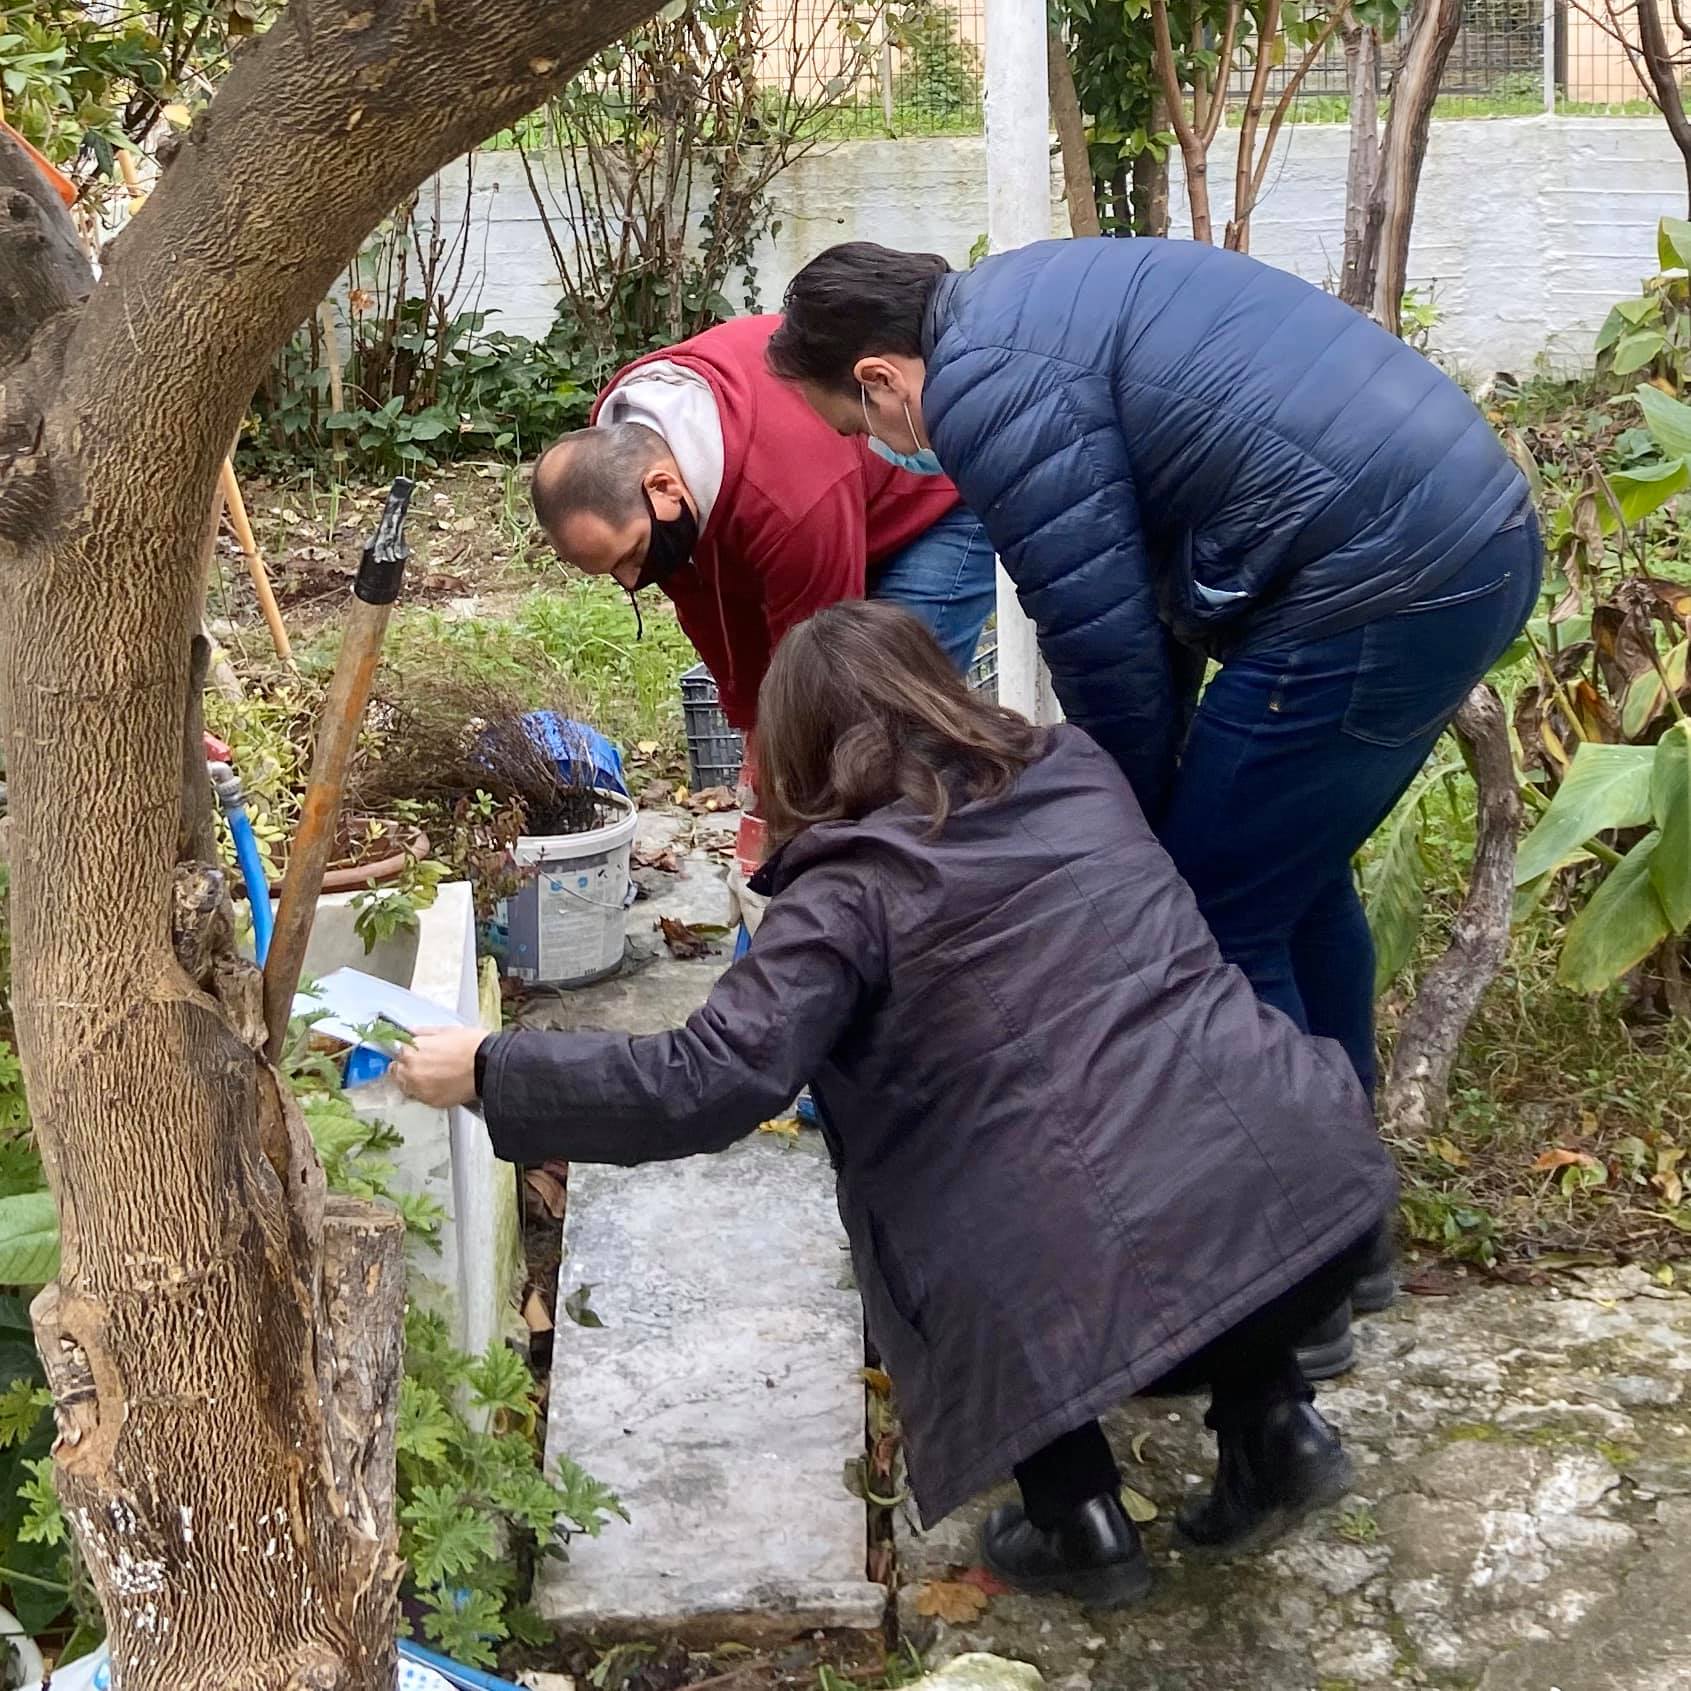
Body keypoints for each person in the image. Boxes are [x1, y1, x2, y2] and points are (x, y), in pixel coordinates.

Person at [394, 601, 1396, 1608]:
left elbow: (702, 1080)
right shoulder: (1075, 768)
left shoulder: (844, 895)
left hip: (1101, 1282)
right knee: (1175, 1132)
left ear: (795, 752)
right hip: (1316, 1196)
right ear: (936, 686)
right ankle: (1278, 1426)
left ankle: (1076, 1513)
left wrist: (490, 1067)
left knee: (978, 1211)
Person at [766, 239, 1543, 1371]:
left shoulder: (983, 387)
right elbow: (1127, 600)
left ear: (882, 378)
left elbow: (1102, 637)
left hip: (1375, 576)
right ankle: (1351, 1227)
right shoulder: (1018, 304)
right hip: (1452, 536)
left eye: (855, 424)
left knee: (1217, 912)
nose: (875, 448)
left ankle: (1292, 1288)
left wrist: (1106, 825)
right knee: (1288, 871)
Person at [529, 314, 996, 799]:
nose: (631, 581)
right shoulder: (630, 465)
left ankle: (924, 848)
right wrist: (754, 731)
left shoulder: (784, 499)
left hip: (932, 503)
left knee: (887, 719)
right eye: (611, 571)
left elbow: (818, 648)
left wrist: (785, 769)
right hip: (836, 503)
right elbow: (712, 608)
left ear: (663, 485)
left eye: (631, 556)